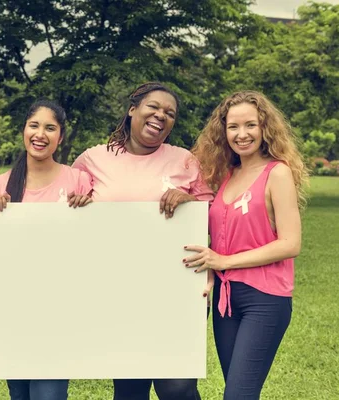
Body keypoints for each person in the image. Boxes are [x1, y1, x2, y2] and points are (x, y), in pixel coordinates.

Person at [72, 82, 214, 400]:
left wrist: (188, 202)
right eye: (153, 106)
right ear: (132, 109)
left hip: (177, 287)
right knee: (129, 388)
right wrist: (77, 203)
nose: (160, 115)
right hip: (119, 291)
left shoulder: (185, 161)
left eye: (170, 113)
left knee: (177, 387)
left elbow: (212, 219)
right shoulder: (93, 159)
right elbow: (67, 208)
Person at [187, 91, 308, 399]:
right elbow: (220, 236)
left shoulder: (277, 172)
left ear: (264, 127)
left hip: (265, 299)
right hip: (226, 301)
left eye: (250, 125)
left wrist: (224, 261)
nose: (242, 134)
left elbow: (290, 243)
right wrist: (212, 270)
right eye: (233, 127)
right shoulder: (226, 174)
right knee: (239, 392)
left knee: (237, 395)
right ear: (223, 131)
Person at [0, 99, 92, 400]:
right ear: (23, 130)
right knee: (19, 395)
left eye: (50, 128)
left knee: (49, 394)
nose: (40, 134)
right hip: (11, 310)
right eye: (34, 125)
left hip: (60, 310)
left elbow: (92, 244)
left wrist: (90, 209)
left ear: (60, 136)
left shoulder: (79, 181)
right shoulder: (0, 186)